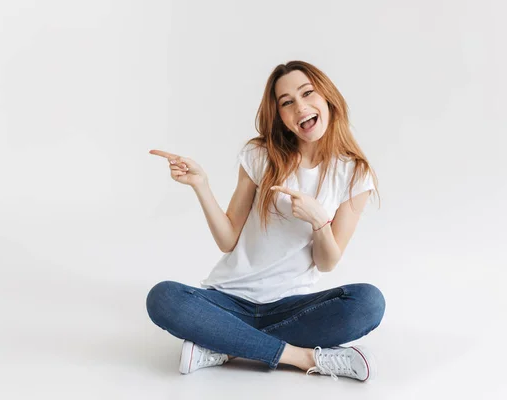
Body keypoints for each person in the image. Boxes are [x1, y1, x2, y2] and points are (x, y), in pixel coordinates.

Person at [147, 60, 385, 382]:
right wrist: (201, 185)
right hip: (229, 300)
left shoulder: (354, 174)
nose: (300, 107)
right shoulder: (260, 155)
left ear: (327, 97)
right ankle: (300, 357)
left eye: (307, 93)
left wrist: (318, 220)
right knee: (162, 298)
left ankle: (226, 346)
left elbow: (326, 263)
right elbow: (228, 239)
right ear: (281, 117)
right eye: (287, 102)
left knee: (368, 302)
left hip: (292, 308)